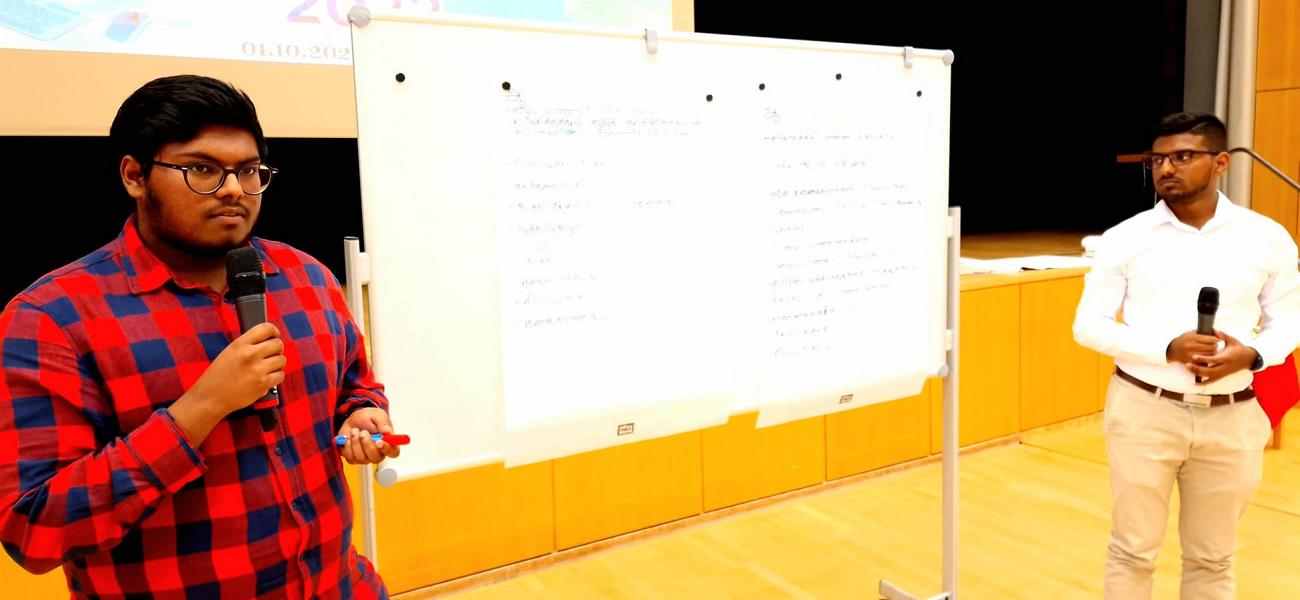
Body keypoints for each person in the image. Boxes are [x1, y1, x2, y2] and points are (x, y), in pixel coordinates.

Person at [0, 75, 399, 598]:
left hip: (341, 586)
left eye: (249, 170)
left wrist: (362, 414)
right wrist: (201, 409)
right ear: (134, 176)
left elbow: (356, 385)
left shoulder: (308, 278)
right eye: (202, 169)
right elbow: (35, 531)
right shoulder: (52, 318)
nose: (234, 189)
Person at [1074, 111, 1300, 598]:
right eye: (1157, 160)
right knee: (1133, 550)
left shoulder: (1267, 237)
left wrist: (1252, 355)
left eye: (1182, 157)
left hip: (1233, 417)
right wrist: (1166, 348)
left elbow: (1290, 319)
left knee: (1213, 558)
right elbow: (1087, 325)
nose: (1166, 168)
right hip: (1144, 410)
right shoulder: (1126, 237)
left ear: (1220, 163)